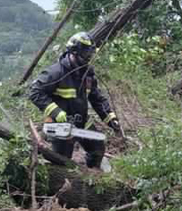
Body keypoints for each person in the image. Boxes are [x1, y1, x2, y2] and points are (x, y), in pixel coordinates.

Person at [29, 31, 121, 169]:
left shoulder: (87, 75)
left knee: (97, 149)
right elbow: (35, 92)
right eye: (86, 53)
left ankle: (93, 177)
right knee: (62, 162)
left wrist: (110, 118)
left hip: (82, 122)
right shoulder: (56, 72)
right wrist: (56, 113)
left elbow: (97, 99)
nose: (88, 57)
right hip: (60, 125)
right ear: (74, 52)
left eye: (90, 53)